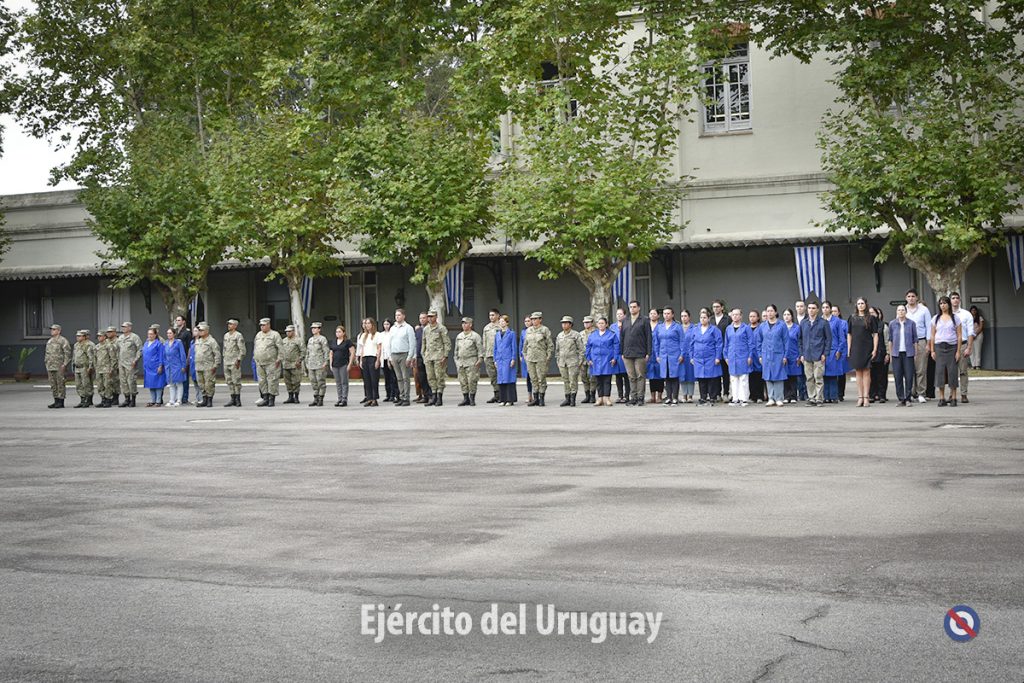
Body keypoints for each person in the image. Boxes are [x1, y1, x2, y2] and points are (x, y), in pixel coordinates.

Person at [846, 297, 880, 407]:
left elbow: (875, 334)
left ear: (866, 305)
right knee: (858, 372)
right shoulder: (852, 318)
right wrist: (849, 349)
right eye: (859, 303)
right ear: (856, 305)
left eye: (862, 303)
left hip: (867, 347)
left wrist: (875, 349)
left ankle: (866, 397)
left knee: (866, 371)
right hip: (856, 347)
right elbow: (849, 334)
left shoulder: (871, 318)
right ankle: (860, 397)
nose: (860, 305)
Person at [930, 296, 962, 407]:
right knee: (940, 372)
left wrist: (958, 351)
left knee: (952, 372)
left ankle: (953, 397)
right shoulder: (935, 318)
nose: (943, 305)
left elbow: (959, 335)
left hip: (952, 347)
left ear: (949, 304)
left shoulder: (955, 318)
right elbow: (932, 335)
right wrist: (932, 350)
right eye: (941, 303)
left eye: (944, 303)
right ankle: (941, 397)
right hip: (939, 347)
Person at [799, 301, 831, 406]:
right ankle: (811, 397)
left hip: (819, 354)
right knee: (809, 378)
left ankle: (819, 398)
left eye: (813, 308)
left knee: (818, 377)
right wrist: (801, 354)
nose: (811, 310)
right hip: (807, 354)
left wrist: (825, 353)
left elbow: (828, 339)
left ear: (817, 310)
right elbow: (800, 339)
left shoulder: (823, 323)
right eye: (809, 308)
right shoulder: (803, 323)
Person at [620, 300, 652, 406]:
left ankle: (640, 397)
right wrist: (622, 352)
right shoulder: (625, 320)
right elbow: (622, 337)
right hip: (627, 352)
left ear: (639, 308)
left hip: (640, 352)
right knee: (631, 376)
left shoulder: (644, 320)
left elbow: (649, 337)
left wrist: (648, 352)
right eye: (631, 307)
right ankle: (633, 397)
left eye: (634, 307)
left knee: (640, 376)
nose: (632, 309)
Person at [758, 305, 789, 406]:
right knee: (768, 376)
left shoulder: (782, 325)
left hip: (778, 354)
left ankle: (779, 398)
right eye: (768, 311)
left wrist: (785, 355)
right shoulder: (762, 326)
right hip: (766, 354)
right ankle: (771, 398)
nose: (769, 313)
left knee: (778, 376)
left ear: (775, 312)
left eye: (771, 311)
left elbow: (786, 341)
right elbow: (759, 341)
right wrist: (760, 355)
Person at [904, 289, 932, 403]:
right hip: (907, 342)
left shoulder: (924, 310)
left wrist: (928, 344)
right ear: (906, 298)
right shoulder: (903, 309)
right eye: (909, 296)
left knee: (921, 369)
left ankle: (921, 393)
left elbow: (929, 327)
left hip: (921, 341)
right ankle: (910, 393)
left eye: (913, 296)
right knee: (909, 369)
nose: (911, 298)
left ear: (917, 298)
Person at [586, 316, 620, 406]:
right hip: (596, 360)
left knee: (607, 379)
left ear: (606, 324)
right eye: (599, 323)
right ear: (597, 325)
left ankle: (607, 398)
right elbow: (588, 347)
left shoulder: (612, 334)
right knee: (598, 380)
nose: (601, 325)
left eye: (602, 323)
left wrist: (615, 358)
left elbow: (616, 347)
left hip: (607, 360)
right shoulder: (593, 334)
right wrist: (588, 358)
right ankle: (600, 398)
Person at [691, 308, 723, 406]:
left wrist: (718, 357)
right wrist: (692, 357)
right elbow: (691, 344)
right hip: (698, 358)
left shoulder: (714, 330)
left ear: (709, 319)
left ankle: (712, 397)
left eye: (704, 317)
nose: (702, 319)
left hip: (710, 357)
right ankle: (703, 397)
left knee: (711, 378)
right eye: (701, 317)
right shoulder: (695, 329)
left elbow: (719, 344)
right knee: (701, 378)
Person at [888, 304, 918, 406]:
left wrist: (915, 353)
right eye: (899, 310)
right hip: (896, 353)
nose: (901, 312)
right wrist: (891, 354)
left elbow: (915, 340)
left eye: (902, 310)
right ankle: (901, 398)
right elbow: (890, 340)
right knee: (898, 376)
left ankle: (908, 398)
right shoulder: (892, 324)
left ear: (906, 312)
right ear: (896, 312)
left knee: (909, 376)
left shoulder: (911, 323)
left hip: (908, 353)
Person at [654, 306, 684, 405]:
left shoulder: (677, 326)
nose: (666, 315)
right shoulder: (659, 327)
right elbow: (656, 342)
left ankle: (675, 397)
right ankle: (668, 397)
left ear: (672, 315)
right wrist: (657, 355)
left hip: (674, 354)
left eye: (668, 313)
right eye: (665, 314)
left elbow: (682, 341)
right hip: (663, 354)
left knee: (674, 376)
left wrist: (681, 354)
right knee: (666, 376)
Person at [523, 311, 554, 407]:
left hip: (541, 358)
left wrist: (548, 357)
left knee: (541, 378)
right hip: (530, 358)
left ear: (540, 319)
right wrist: (525, 356)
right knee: (533, 379)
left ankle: (541, 398)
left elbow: (550, 345)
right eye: (532, 319)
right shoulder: (528, 330)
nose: (533, 321)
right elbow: (525, 345)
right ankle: (535, 398)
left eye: (535, 319)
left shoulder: (544, 330)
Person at [724, 308, 753, 406]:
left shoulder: (746, 328)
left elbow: (751, 343)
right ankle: (735, 398)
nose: (735, 316)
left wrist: (750, 356)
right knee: (733, 378)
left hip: (743, 356)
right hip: (732, 356)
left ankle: (743, 399)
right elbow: (726, 344)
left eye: (737, 314)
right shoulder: (728, 329)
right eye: (733, 314)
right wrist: (726, 356)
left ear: (741, 316)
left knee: (743, 378)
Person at [421, 310, 451, 406]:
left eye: (432, 316)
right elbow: (424, 342)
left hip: (439, 356)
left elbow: (447, 342)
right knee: (430, 377)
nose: (430, 318)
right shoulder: (426, 329)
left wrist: (445, 355)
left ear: (436, 317)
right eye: (429, 317)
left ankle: (439, 397)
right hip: (428, 357)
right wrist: (423, 354)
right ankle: (433, 396)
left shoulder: (441, 328)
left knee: (439, 377)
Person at [554, 315, 585, 407]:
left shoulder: (575, 335)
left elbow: (581, 349)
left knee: (573, 380)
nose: (564, 325)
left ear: (570, 324)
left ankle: (573, 399)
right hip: (562, 362)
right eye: (563, 323)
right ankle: (567, 398)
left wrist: (580, 361)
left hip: (573, 361)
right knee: (565, 380)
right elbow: (557, 350)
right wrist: (558, 359)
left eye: (566, 323)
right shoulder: (560, 335)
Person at [388, 309, 417, 406]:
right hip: (394, 354)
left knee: (405, 377)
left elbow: (412, 343)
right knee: (399, 378)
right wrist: (390, 357)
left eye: (399, 315)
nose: (397, 317)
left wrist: (410, 357)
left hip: (404, 354)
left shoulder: (408, 328)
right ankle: (401, 396)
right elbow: (389, 343)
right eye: (396, 315)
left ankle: (406, 398)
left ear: (404, 316)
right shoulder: (393, 328)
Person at [950, 293, 975, 404]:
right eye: (953, 298)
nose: (955, 300)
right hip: (950, 345)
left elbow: (970, 332)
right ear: (950, 300)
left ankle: (964, 394)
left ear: (960, 300)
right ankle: (952, 394)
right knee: (951, 372)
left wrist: (969, 347)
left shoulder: (966, 314)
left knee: (963, 371)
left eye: (957, 298)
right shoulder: (946, 314)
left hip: (963, 344)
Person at [253, 318, 283, 407]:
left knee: (272, 380)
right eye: (261, 325)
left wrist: (279, 359)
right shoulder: (258, 335)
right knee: (262, 381)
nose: (262, 327)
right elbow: (256, 347)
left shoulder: (275, 335)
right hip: (260, 362)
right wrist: (255, 358)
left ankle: (271, 399)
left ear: (268, 325)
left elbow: (280, 348)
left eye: (264, 325)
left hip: (271, 362)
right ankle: (265, 398)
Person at [454, 317, 484, 406]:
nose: (464, 325)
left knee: (472, 381)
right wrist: (456, 360)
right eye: (463, 323)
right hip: (461, 362)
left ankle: (472, 399)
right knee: (462, 381)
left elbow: (480, 349)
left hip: (471, 361)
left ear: (470, 324)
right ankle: (465, 398)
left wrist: (480, 359)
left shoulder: (475, 336)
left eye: (466, 323)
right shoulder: (459, 336)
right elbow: (456, 350)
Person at [822, 302, 847, 404]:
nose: (825, 309)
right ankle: (825, 396)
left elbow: (842, 337)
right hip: (823, 351)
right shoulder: (820, 320)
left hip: (833, 350)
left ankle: (833, 396)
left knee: (832, 374)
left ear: (830, 309)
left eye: (827, 307)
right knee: (823, 374)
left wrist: (839, 350)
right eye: (823, 307)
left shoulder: (836, 321)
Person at [192, 322, 221, 407]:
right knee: (201, 383)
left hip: (208, 366)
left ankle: (209, 399)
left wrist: (216, 365)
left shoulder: (211, 341)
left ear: (207, 331)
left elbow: (217, 354)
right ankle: (204, 399)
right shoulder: (198, 341)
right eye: (199, 330)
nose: (200, 332)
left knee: (209, 384)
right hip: (198, 366)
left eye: (201, 330)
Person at [44, 324, 72, 409]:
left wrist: (65, 364)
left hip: (59, 366)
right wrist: (46, 362)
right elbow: (47, 353)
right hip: (50, 366)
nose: (52, 331)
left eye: (54, 329)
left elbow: (67, 353)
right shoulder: (49, 341)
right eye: (51, 329)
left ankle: (61, 401)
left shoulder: (63, 340)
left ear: (59, 331)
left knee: (60, 383)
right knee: (53, 384)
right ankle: (56, 400)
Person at [493, 314, 519, 406]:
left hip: (508, 358)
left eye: (503, 321)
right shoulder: (497, 334)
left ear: (507, 322)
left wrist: (513, 358)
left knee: (509, 378)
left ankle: (510, 399)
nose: (501, 323)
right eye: (500, 321)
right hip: (499, 359)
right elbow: (495, 348)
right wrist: (495, 359)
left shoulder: (511, 333)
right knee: (501, 379)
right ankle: (502, 399)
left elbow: (514, 347)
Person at [357, 317, 383, 407]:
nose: (367, 325)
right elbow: (362, 349)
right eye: (366, 323)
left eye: (369, 323)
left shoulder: (377, 334)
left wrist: (378, 360)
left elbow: (379, 348)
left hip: (373, 357)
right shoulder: (364, 335)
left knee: (374, 379)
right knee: (366, 379)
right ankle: (369, 398)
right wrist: (361, 360)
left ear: (372, 324)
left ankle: (374, 398)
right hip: (365, 358)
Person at [116, 321, 142, 407]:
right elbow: (118, 349)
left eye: (125, 327)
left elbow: (140, 349)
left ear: (130, 328)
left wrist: (135, 360)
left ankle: (133, 399)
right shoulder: (120, 338)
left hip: (130, 363)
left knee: (131, 381)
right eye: (122, 327)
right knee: (123, 381)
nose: (123, 328)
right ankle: (127, 399)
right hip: (121, 363)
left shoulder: (134, 337)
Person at [222, 318, 246, 407]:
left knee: (236, 381)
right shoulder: (226, 335)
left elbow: (242, 350)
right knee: (229, 380)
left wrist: (239, 359)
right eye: (228, 324)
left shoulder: (238, 335)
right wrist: (224, 357)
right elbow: (224, 348)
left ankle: (237, 399)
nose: (229, 326)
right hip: (226, 361)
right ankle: (232, 398)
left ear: (235, 326)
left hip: (234, 361)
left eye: (231, 324)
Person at [305, 322, 330, 406]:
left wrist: (326, 361)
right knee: (313, 382)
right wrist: (306, 362)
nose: (313, 330)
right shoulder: (310, 340)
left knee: (321, 382)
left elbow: (326, 351)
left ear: (319, 329)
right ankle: (315, 398)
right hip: (311, 364)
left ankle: (321, 398)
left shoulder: (322, 339)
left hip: (320, 363)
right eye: (312, 328)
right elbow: (307, 351)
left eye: (315, 328)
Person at [329, 325, 354, 407]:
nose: (338, 333)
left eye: (339, 332)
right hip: (335, 364)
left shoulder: (347, 342)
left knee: (344, 382)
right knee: (338, 382)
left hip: (343, 364)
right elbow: (331, 353)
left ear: (343, 333)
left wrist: (350, 364)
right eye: (336, 332)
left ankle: (344, 399)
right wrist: (331, 363)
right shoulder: (333, 342)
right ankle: (339, 398)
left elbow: (352, 353)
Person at [280, 324, 306, 404]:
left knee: (296, 381)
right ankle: (290, 396)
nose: (288, 333)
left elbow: (303, 351)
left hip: (295, 364)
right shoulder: (284, 341)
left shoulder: (298, 340)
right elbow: (281, 351)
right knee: (287, 381)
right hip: (286, 364)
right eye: (287, 332)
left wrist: (299, 360)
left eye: (289, 331)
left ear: (293, 332)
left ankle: (296, 397)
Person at [71, 329, 97, 408]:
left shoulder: (88, 345)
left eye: (79, 336)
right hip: (77, 367)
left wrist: (90, 367)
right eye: (77, 336)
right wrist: (73, 365)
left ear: (84, 337)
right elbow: (74, 356)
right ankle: (82, 400)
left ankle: (88, 400)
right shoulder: (76, 345)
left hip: (84, 367)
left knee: (86, 384)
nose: (77, 337)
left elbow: (91, 357)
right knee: (78, 385)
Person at [868, 307, 889, 403]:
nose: (871, 314)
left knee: (881, 376)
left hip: (881, 353)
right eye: (869, 313)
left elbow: (887, 340)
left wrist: (888, 353)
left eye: (873, 312)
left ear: (877, 314)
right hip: (869, 353)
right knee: (871, 376)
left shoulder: (883, 325)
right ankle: (872, 395)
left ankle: (881, 395)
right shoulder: (866, 325)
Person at [141, 326, 166, 406]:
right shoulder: (146, 343)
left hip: (156, 366)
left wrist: (160, 365)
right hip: (148, 367)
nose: (150, 336)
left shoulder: (159, 344)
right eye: (148, 334)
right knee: (150, 384)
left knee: (158, 384)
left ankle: (158, 400)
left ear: (155, 335)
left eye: (151, 334)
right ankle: (153, 400)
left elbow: (161, 355)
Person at [782, 309, 802, 403]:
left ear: (792, 316)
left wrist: (799, 355)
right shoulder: (781, 327)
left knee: (793, 376)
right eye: (785, 314)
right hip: (784, 355)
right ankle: (786, 396)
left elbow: (800, 342)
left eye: (788, 314)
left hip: (794, 354)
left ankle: (793, 396)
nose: (786, 316)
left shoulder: (797, 328)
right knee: (785, 376)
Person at [95, 327, 118, 408]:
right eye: (98, 336)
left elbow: (113, 358)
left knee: (107, 385)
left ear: (104, 337)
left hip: (107, 369)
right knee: (100, 385)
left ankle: (108, 400)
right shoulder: (97, 346)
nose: (99, 338)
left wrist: (112, 368)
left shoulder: (109, 346)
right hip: (99, 369)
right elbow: (95, 358)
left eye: (100, 336)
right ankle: (103, 399)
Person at [711, 299, 730, 400]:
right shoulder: (710, 319)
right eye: (714, 307)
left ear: (722, 307)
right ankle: (717, 393)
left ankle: (726, 393)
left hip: (724, 349)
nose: (715, 309)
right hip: (713, 350)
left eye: (717, 306)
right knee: (715, 373)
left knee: (725, 373)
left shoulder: (727, 319)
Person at [164, 327, 187, 406]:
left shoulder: (178, 342)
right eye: (167, 333)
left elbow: (182, 354)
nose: (168, 335)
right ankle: (172, 400)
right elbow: (164, 355)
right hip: (169, 366)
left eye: (170, 333)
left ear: (174, 334)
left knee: (178, 383)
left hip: (177, 365)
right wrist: (165, 364)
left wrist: (183, 365)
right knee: (171, 383)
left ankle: (179, 399)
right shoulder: (166, 343)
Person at [482, 308, 501, 404]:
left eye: (493, 315)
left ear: (498, 315)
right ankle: (496, 394)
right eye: (490, 315)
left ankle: (502, 395)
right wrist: (484, 355)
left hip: (499, 355)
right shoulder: (486, 328)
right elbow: (484, 342)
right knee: (492, 376)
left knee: (500, 375)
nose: (491, 317)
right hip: (489, 355)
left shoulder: (501, 326)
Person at [173, 315, 192, 404]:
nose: (177, 322)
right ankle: (178, 397)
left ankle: (184, 397)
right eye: (176, 320)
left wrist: (187, 360)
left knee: (185, 379)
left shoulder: (187, 332)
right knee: (177, 378)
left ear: (183, 321)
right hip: (177, 359)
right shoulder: (176, 332)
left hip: (184, 358)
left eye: (179, 320)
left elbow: (189, 347)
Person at [645, 308, 664, 404]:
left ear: (658, 315)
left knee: (660, 375)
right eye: (651, 313)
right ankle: (652, 396)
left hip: (659, 352)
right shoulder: (646, 325)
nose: (652, 315)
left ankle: (659, 396)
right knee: (651, 376)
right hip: (649, 353)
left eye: (654, 313)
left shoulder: (661, 326)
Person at [579, 316, 598, 403]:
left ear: (592, 323)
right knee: (584, 377)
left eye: (588, 322)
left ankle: (592, 395)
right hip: (583, 358)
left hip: (593, 358)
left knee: (592, 378)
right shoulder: (581, 334)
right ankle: (587, 395)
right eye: (584, 323)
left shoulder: (596, 333)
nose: (586, 324)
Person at [679, 309, 697, 402]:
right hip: (680, 355)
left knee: (690, 375)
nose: (684, 318)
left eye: (685, 316)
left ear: (689, 317)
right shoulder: (678, 328)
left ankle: (690, 395)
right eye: (682, 316)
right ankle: (684, 395)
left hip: (690, 355)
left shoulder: (694, 328)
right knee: (682, 375)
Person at [747, 310, 765, 403]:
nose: (752, 318)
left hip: (758, 355)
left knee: (759, 376)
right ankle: (752, 396)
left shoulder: (761, 328)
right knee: (751, 376)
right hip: (750, 355)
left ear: (758, 318)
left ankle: (760, 396)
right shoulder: (746, 328)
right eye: (750, 316)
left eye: (754, 316)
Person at [379, 319, 398, 402]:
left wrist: (390, 359)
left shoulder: (392, 333)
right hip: (383, 358)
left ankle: (393, 394)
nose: (386, 326)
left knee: (392, 377)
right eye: (385, 324)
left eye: (387, 324)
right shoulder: (381, 334)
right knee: (386, 377)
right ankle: (388, 394)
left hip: (390, 358)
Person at [613, 308, 630, 404]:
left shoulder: (628, 325)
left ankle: (627, 396)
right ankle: (620, 395)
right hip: (616, 354)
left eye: (621, 314)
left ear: (624, 315)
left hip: (626, 354)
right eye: (617, 314)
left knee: (626, 376)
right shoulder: (612, 327)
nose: (619, 316)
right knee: (618, 376)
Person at [414, 312, 431, 403]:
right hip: (419, 356)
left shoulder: (430, 329)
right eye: (420, 318)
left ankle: (432, 395)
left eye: (424, 318)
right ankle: (425, 395)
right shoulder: (418, 330)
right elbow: (415, 343)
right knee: (421, 377)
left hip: (429, 356)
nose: (422, 320)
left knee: (430, 376)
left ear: (427, 319)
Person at [793, 302, 809, 400]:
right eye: (798, 306)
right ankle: (800, 393)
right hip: (795, 350)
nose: (799, 308)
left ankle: (807, 393)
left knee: (808, 373)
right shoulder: (792, 320)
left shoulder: (808, 319)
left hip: (806, 349)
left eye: (801, 306)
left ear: (805, 308)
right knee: (798, 374)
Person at [520, 315, 533, 397]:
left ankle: (537, 395)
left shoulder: (535, 330)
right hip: (526, 356)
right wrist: (520, 355)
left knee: (534, 377)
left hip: (534, 355)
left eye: (528, 321)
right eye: (525, 321)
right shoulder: (523, 332)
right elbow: (521, 344)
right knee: (528, 377)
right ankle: (529, 396)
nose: (527, 323)